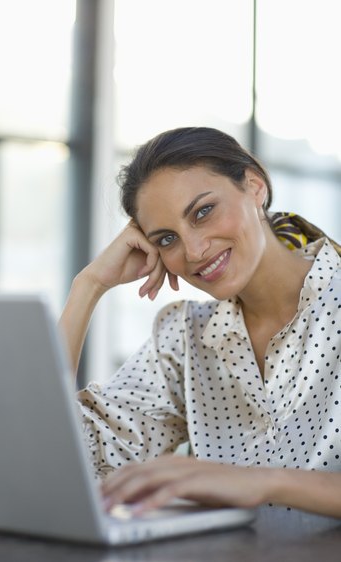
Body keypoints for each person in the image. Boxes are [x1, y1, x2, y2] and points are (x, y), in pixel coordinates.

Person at [59, 126, 341, 518]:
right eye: (166, 239)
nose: (193, 251)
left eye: (203, 212)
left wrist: (264, 482)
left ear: (255, 187)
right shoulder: (184, 337)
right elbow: (65, 458)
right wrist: (87, 287)